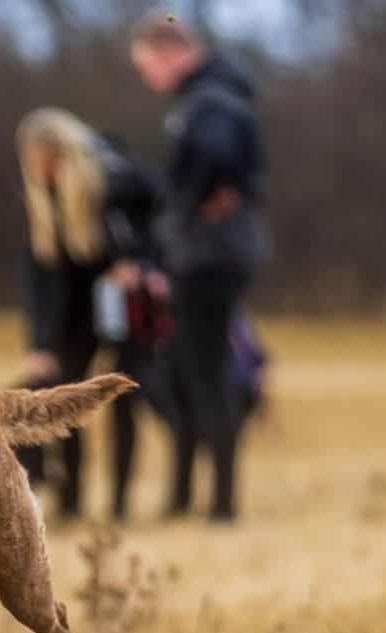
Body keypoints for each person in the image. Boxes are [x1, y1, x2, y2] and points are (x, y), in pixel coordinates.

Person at [131, 11, 268, 523]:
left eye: (147, 66)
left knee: (207, 372)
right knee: (186, 372)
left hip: (210, 256)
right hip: (205, 253)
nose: (148, 78)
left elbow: (216, 157)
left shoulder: (211, 99)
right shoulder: (207, 97)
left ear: (170, 52)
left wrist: (185, 207)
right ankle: (189, 497)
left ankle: (222, 505)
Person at [15, 108, 163, 522]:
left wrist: (141, 265)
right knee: (63, 398)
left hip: (127, 305)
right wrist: (40, 345)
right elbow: (40, 281)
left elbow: (163, 226)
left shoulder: (120, 183)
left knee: (125, 398)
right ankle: (71, 501)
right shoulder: (43, 205)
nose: (41, 173)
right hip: (76, 311)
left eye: (49, 163)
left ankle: (120, 503)